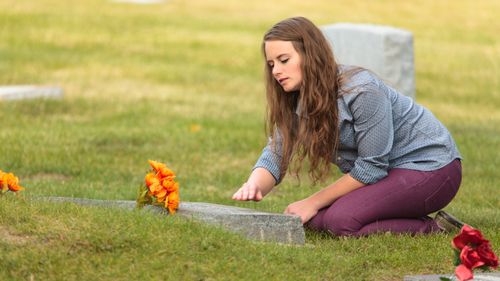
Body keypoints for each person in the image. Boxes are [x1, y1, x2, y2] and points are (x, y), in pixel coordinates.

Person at [231, 16, 465, 237]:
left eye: (284, 60)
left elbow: (372, 167)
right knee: (311, 221)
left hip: (432, 168)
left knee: (341, 222)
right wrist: (253, 185)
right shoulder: (295, 101)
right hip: (387, 175)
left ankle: (436, 227)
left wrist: (312, 201)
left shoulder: (361, 90)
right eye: (271, 64)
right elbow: (276, 154)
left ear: (311, 55)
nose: (276, 71)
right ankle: (391, 209)